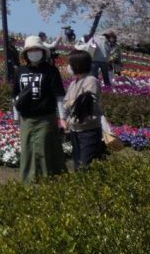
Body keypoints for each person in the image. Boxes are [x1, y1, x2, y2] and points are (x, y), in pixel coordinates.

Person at [13, 35, 68, 184]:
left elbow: (59, 96)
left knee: (45, 149)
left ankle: (48, 180)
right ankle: (28, 182)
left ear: (43, 52)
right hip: (26, 119)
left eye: (37, 49)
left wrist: (62, 118)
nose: (34, 52)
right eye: (31, 50)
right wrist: (16, 118)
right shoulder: (20, 71)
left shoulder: (51, 71)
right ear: (26, 53)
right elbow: (16, 96)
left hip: (45, 118)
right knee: (27, 150)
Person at [63, 49, 107, 170]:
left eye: (70, 63)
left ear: (77, 64)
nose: (68, 67)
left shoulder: (91, 81)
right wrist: (72, 103)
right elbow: (66, 104)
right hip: (75, 129)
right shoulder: (73, 83)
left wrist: (72, 103)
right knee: (77, 163)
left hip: (88, 129)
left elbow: (86, 103)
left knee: (86, 163)